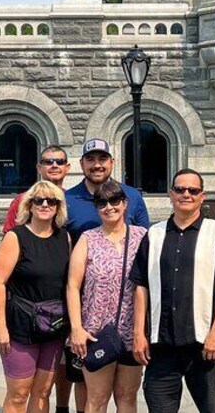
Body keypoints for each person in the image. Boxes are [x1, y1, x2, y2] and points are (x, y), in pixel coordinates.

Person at [130, 169, 215, 413]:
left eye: (193, 190)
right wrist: (138, 333)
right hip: (162, 346)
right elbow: (141, 286)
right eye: (180, 189)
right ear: (171, 194)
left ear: (202, 196)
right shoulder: (154, 234)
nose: (186, 194)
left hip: (204, 345)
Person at [63, 138, 151, 413]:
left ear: (126, 203)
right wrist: (76, 328)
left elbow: (147, 283)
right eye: (102, 203)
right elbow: (72, 285)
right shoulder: (87, 238)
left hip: (132, 328)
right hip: (95, 329)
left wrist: (142, 331)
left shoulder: (142, 236)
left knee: (127, 396)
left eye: (114, 201)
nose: (109, 207)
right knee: (96, 398)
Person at [0, 180, 71, 413]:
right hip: (20, 327)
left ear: (58, 207)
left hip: (53, 326)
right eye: (39, 200)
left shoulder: (64, 238)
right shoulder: (15, 237)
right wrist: (0, 326)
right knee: (19, 394)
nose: (45, 204)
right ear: (30, 205)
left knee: (43, 391)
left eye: (51, 201)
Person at [2, 145, 71, 234]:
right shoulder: (22, 200)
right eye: (48, 162)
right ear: (39, 168)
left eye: (60, 162)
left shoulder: (72, 199)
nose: (54, 165)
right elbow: (9, 236)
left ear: (67, 167)